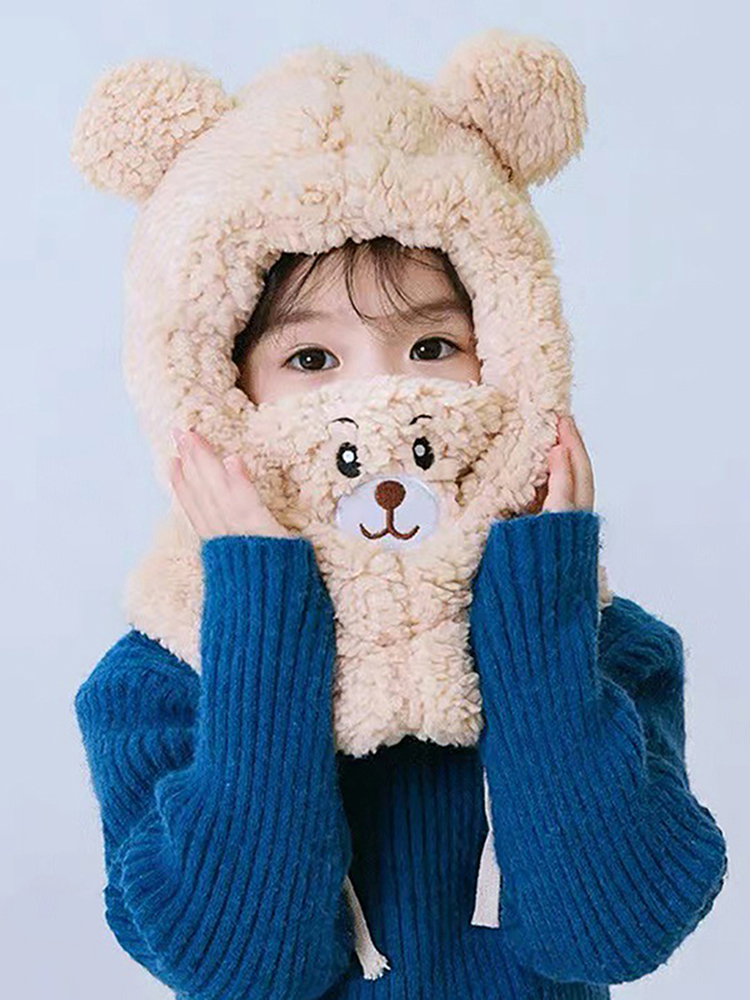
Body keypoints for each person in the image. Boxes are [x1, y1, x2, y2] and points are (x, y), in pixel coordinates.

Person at [72, 33, 728, 1000]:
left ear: (507, 351)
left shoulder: (604, 644)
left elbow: (609, 935)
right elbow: (243, 967)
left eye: (431, 347)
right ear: (219, 389)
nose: (382, 403)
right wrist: (260, 608)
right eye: (311, 360)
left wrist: (538, 603)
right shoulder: (164, 674)